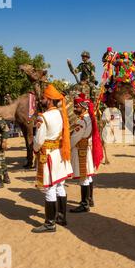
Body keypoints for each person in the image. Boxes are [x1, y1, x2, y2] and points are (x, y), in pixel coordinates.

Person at [32, 84, 73, 233]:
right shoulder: (62, 115)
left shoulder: (44, 117)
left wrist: (35, 149)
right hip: (59, 154)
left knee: (49, 188)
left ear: (49, 100)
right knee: (60, 186)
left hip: (48, 154)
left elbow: (38, 140)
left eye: (43, 97)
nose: (41, 99)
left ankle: (50, 223)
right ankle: (61, 217)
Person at [69, 94, 103, 213]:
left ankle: (84, 204)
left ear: (82, 107)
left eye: (76, 107)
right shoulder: (89, 118)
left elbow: (74, 138)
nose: (75, 109)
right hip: (87, 149)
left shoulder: (83, 121)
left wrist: (68, 146)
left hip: (81, 151)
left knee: (83, 177)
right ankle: (89, 199)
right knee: (88, 176)